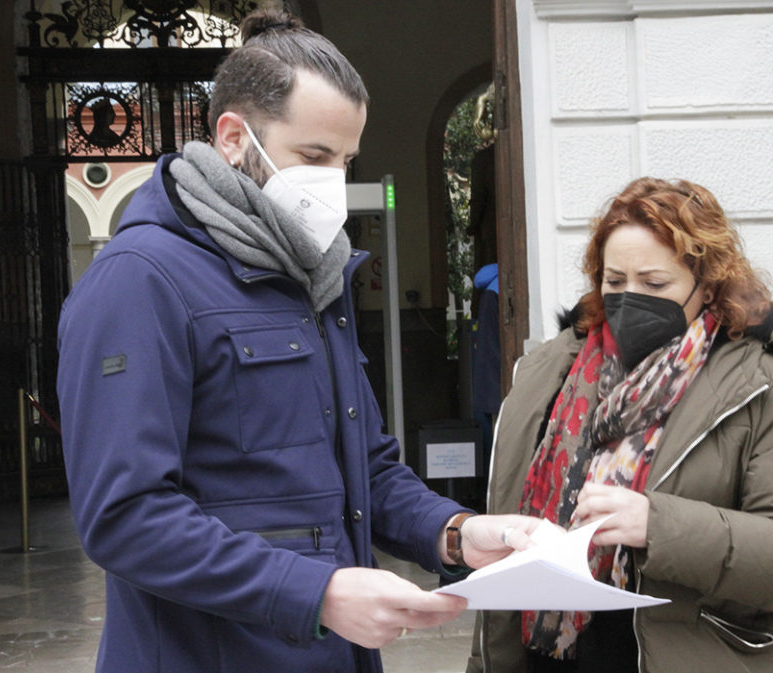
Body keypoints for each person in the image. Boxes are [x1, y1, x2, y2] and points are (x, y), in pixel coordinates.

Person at [56, 10, 542, 673]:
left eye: (345, 160)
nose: (333, 182)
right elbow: (126, 516)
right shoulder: (139, 281)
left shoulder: (316, 274)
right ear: (234, 137)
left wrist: (455, 532)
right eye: (314, 156)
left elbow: (364, 467)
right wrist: (319, 591)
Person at [466, 177, 773, 673]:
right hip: (545, 657)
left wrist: (658, 525)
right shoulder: (548, 373)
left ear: (707, 286)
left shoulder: (762, 386)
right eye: (615, 281)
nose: (629, 299)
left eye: (655, 284)